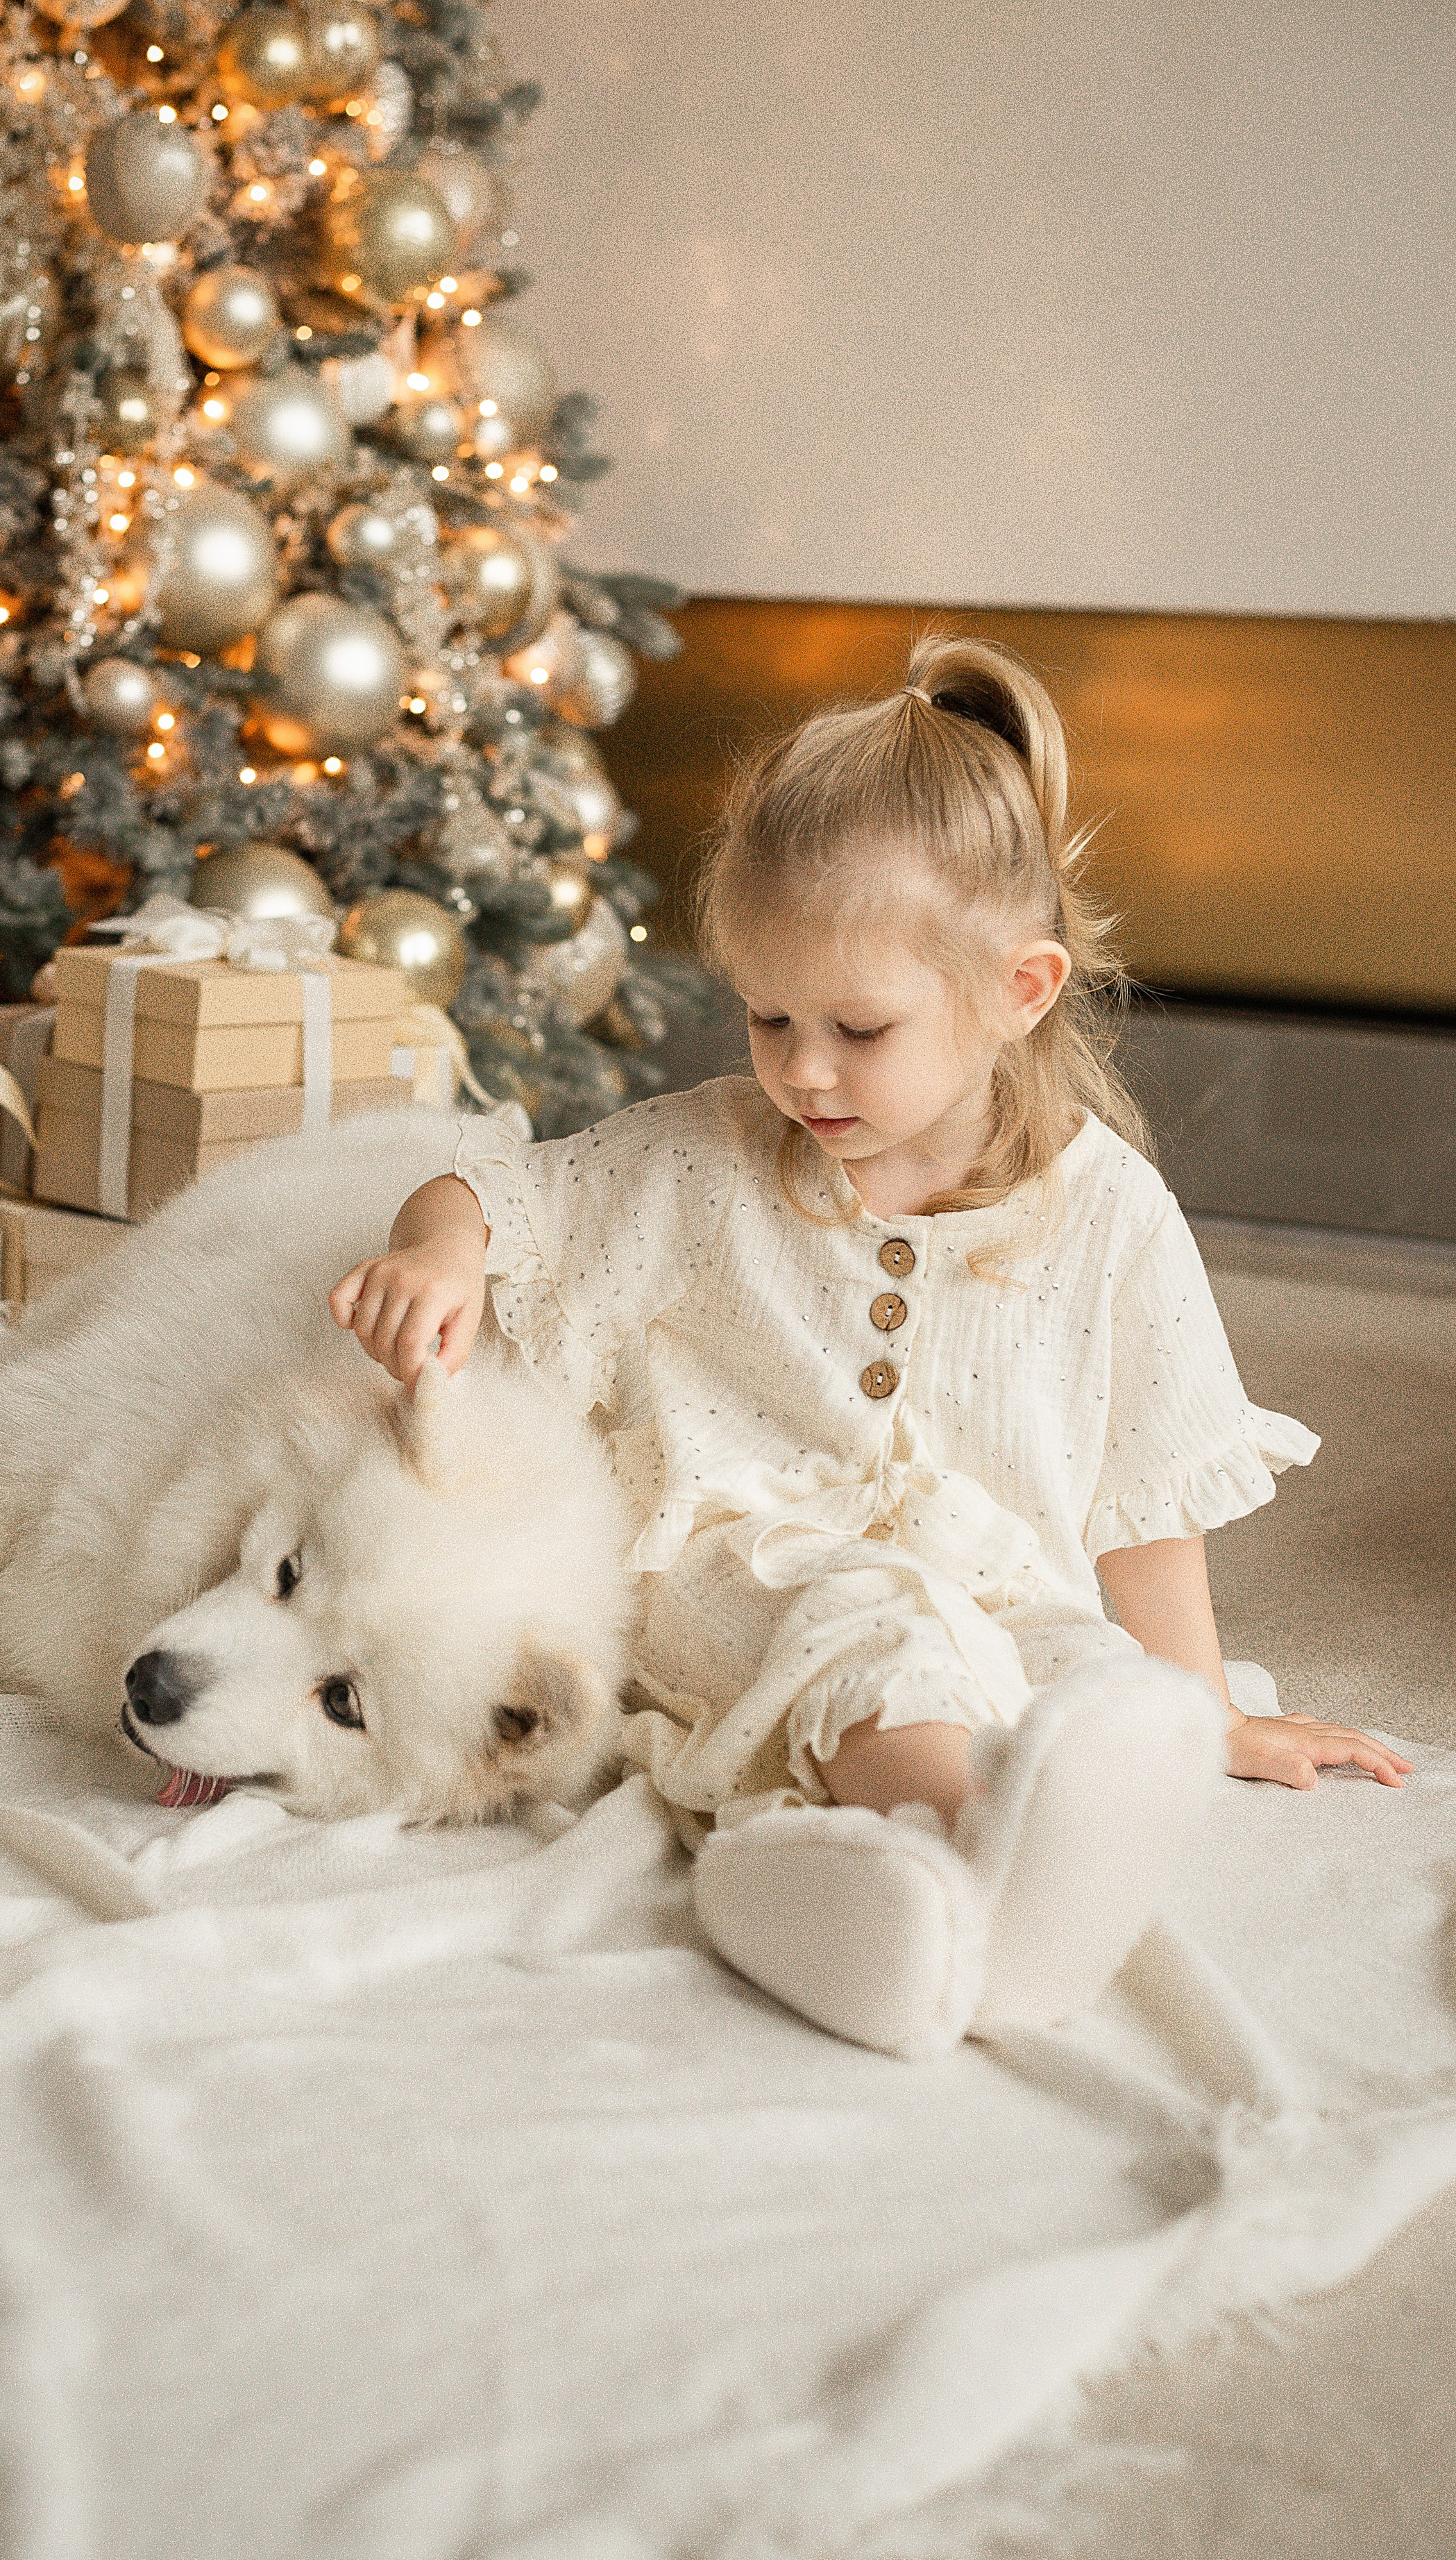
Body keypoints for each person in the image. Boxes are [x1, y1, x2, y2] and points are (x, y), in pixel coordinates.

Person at [330, 634, 1410, 2059]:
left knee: (1077, 1668)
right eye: (767, 1015)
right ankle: (986, 1873)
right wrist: (439, 1253)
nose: (801, 1068)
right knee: (872, 1639)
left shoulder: (1108, 1215)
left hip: (988, 1577)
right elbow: (495, 1194)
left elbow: (1150, 1493)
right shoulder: (704, 1157)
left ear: (1020, 991)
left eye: (856, 1027)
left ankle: (851, 1898)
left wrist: (1203, 1709)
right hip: (749, 1572)